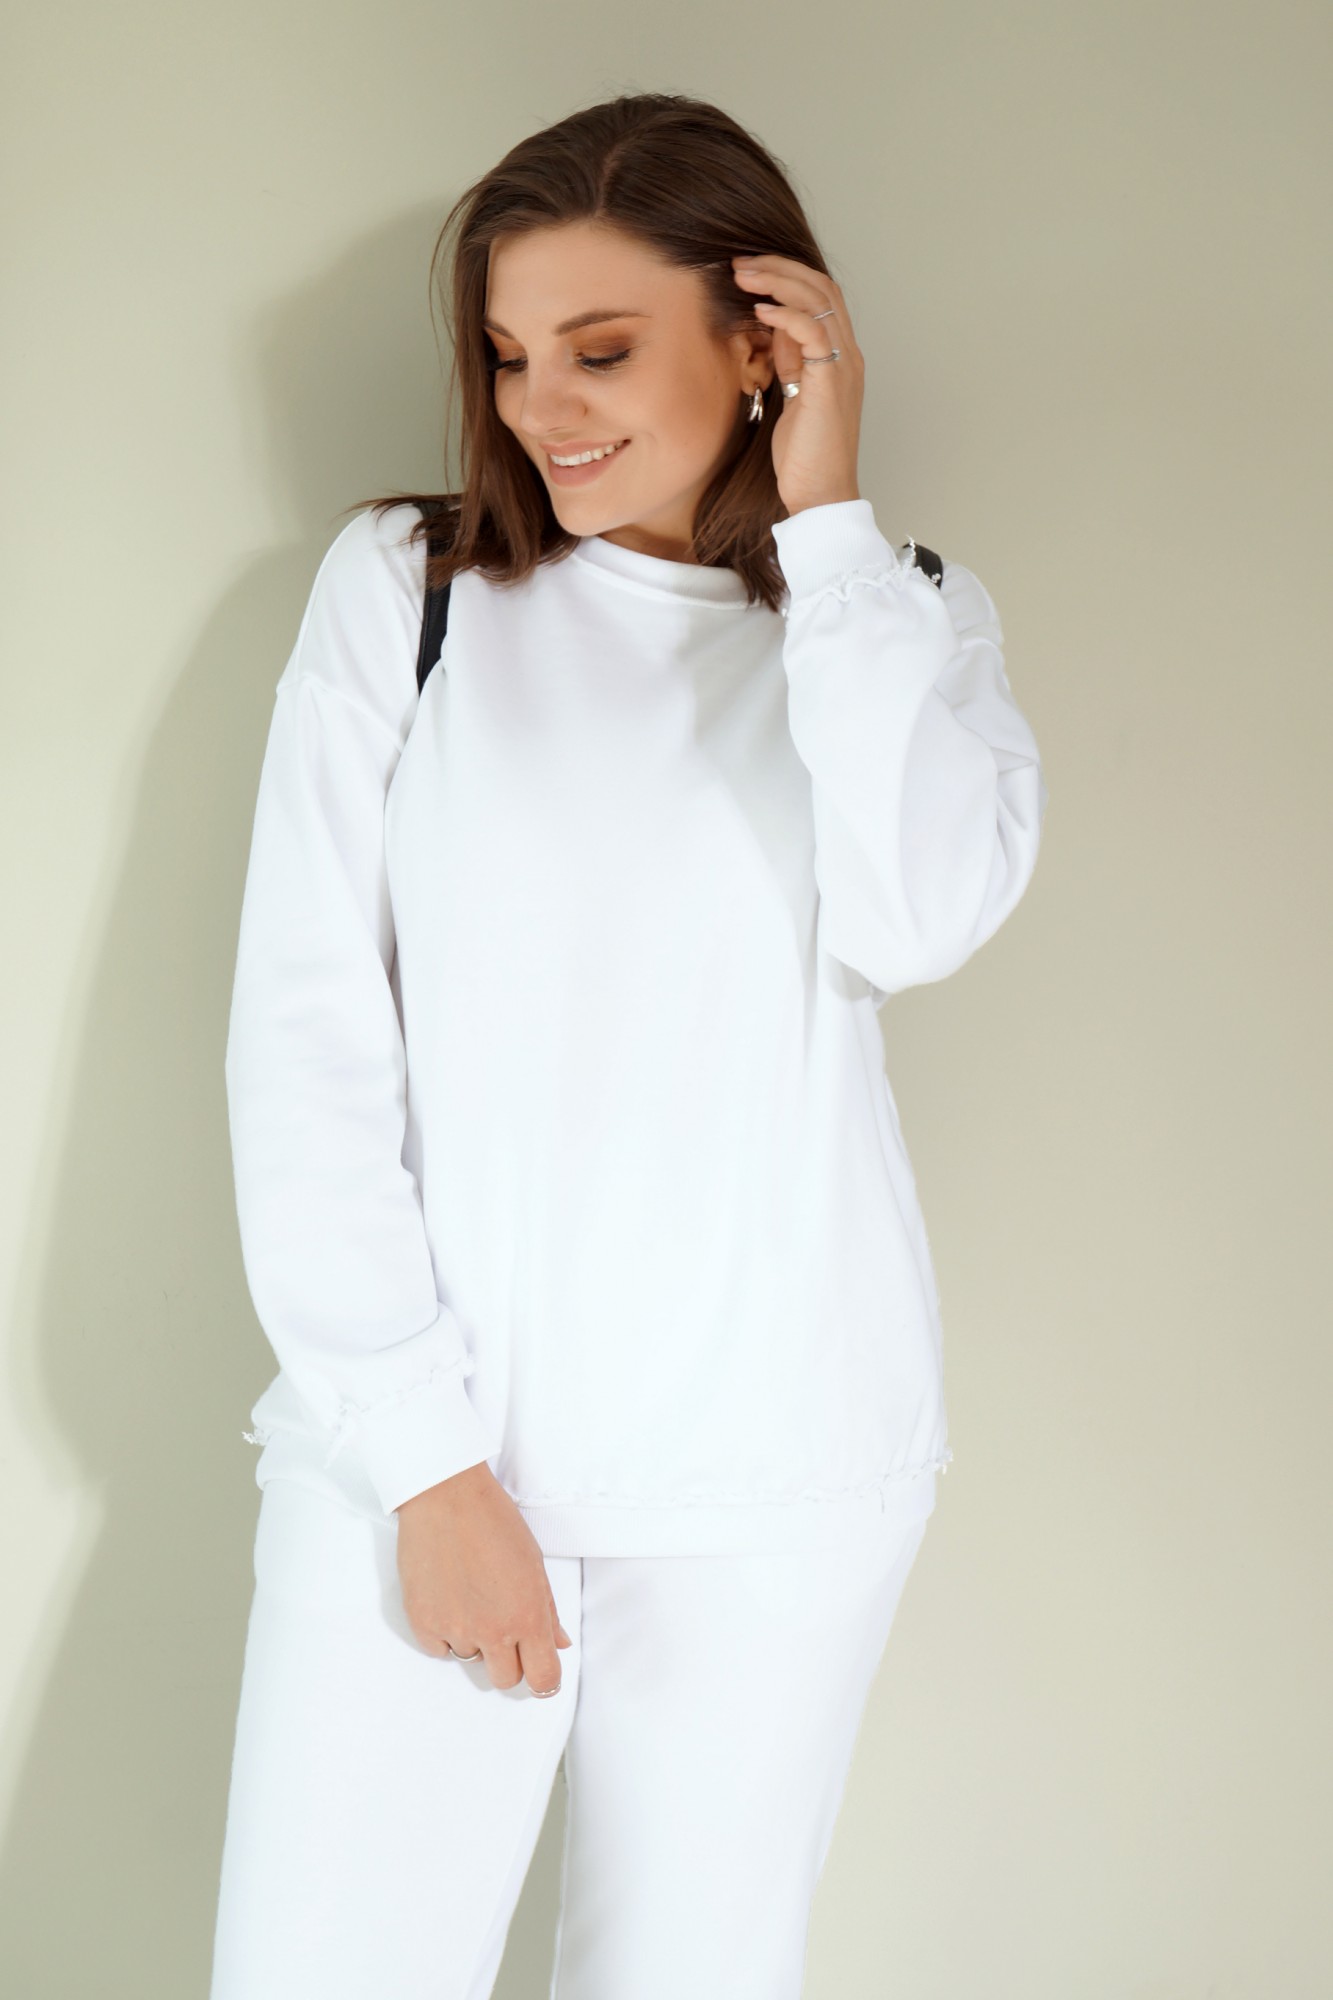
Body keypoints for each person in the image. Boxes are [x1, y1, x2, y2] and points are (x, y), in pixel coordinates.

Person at [209, 89, 1048, 2000]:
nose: (542, 408)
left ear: (762, 348)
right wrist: (429, 1468)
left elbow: (920, 918)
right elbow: (306, 1041)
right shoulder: (413, 594)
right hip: (421, 1463)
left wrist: (832, 533)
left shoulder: (898, 620)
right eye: (509, 357)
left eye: (599, 350)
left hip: (780, 1483)